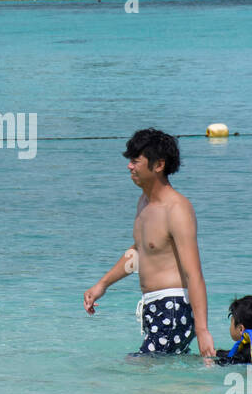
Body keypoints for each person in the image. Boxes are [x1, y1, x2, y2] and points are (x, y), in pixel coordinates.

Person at [83, 128, 216, 356]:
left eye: (136, 161)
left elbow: (194, 273)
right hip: (154, 308)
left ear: (158, 165)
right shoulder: (143, 202)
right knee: (158, 383)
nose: (129, 166)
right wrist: (102, 284)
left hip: (173, 308)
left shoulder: (177, 209)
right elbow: (138, 253)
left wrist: (203, 330)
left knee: (137, 370)